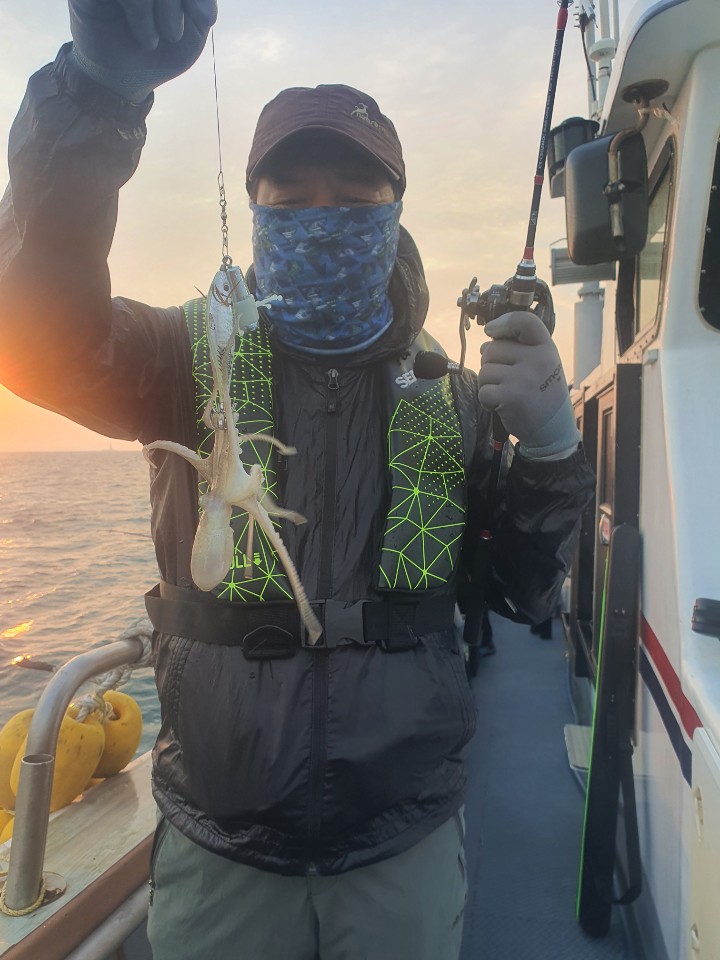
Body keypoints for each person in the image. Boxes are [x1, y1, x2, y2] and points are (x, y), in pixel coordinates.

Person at [0, 3, 595, 958]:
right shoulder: (179, 358)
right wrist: (95, 100)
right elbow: (36, 332)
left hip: (401, 833)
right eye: (291, 194)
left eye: (355, 194)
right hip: (221, 840)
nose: (324, 215)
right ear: (255, 209)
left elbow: (528, 588)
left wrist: (555, 452)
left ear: (394, 209)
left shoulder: (452, 399)